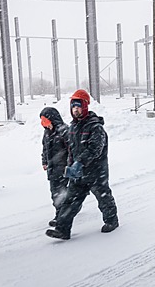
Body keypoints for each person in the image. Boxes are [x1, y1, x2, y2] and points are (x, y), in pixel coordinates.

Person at [46, 89, 119, 240]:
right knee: (69, 202)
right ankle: (62, 229)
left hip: (96, 172)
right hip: (78, 175)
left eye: (78, 106)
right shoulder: (73, 127)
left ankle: (112, 221)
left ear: (85, 106)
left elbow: (95, 149)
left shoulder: (95, 127)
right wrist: (70, 166)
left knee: (104, 198)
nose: (75, 109)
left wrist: (80, 162)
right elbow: (71, 150)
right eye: (73, 106)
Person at [40, 107, 70, 227]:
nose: (43, 124)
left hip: (63, 169)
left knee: (59, 193)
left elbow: (71, 149)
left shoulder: (64, 131)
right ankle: (65, 210)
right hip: (53, 169)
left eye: (45, 120)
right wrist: (44, 161)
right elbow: (45, 149)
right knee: (55, 192)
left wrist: (69, 165)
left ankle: (60, 217)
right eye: (42, 121)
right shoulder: (47, 133)